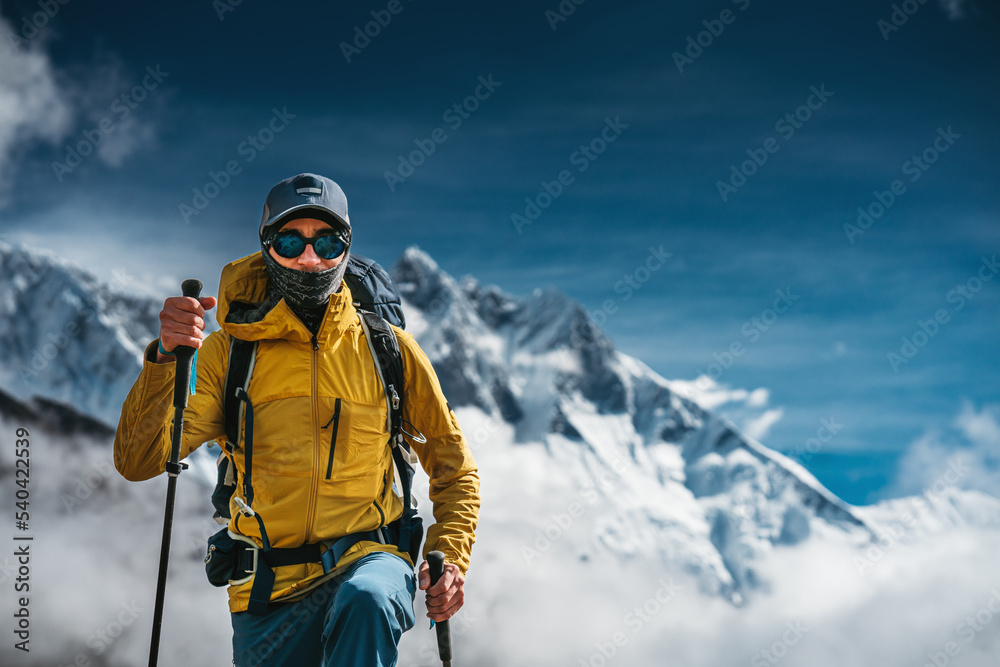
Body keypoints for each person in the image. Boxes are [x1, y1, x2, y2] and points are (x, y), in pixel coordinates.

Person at [114, 173, 480, 666]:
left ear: (347, 249)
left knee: (368, 599)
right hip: (266, 592)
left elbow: (454, 466)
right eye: (290, 241)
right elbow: (139, 459)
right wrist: (164, 360)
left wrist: (451, 558)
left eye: (327, 242)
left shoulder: (387, 348)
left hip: (370, 560)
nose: (310, 259)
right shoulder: (228, 354)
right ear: (267, 248)